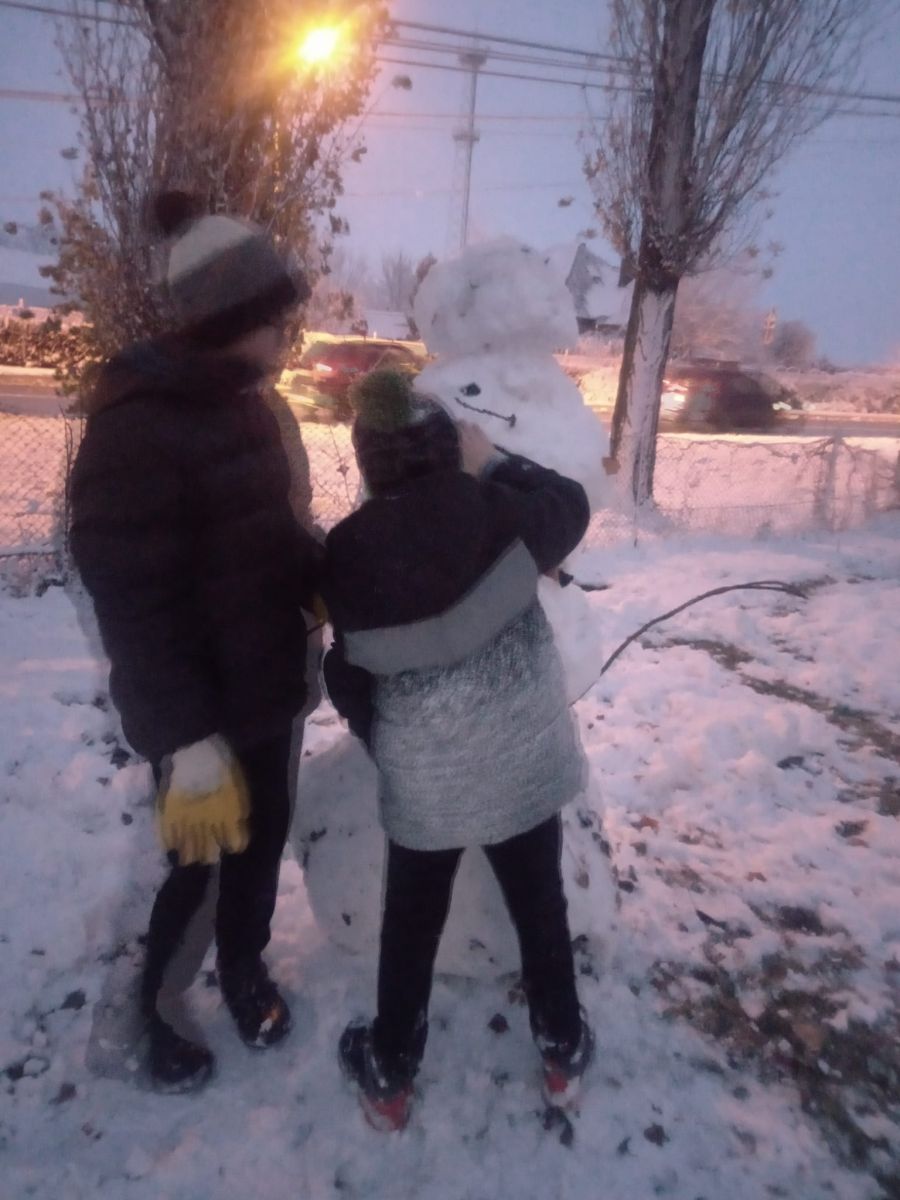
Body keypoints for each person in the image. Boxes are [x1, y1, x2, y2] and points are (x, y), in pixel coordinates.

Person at [70, 192, 322, 1092]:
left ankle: (245, 966)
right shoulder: (137, 426)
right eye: (276, 320)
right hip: (200, 716)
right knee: (198, 863)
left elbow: (273, 536)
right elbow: (131, 600)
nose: (287, 337)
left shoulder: (247, 405)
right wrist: (182, 737)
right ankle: (161, 1006)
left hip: (266, 686)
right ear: (231, 320)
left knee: (260, 847)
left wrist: (342, 578)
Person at [320, 368, 594, 1131]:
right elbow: (571, 503)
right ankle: (563, 1052)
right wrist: (495, 461)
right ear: (449, 449)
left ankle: (390, 1076)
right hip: (522, 759)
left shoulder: (346, 552)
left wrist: (382, 737)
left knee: (410, 925)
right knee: (540, 906)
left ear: (369, 462)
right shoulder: (495, 509)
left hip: (426, 778)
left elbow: (349, 671)